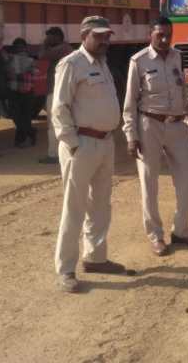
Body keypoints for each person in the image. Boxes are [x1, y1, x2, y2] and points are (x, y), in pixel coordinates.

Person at [52, 16, 126, 293]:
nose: (104, 40)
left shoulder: (102, 64)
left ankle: (95, 257)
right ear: (84, 35)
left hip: (105, 143)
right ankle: (66, 270)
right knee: (74, 208)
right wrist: (72, 144)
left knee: (101, 204)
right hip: (81, 145)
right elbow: (59, 107)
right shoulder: (72, 64)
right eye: (98, 36)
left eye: (107, 35)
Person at [123, 17, 188, 256]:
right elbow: (129, 101)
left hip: (177, 125)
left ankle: (181, 230)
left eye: (169, 34)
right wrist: (130, 134)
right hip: (150, 124)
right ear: (151, 34)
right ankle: (155, 236)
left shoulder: (178, 56)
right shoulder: (138, 61)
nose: (165, 39)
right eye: (160, 35)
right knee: (149, 183)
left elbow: (184, 92)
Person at [38, 27, 73, 163]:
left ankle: (54, 155)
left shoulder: (62, 49)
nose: (47, 39)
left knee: (54, 124)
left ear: (58, 37)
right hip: (61, 90)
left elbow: (42, 55)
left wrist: (45, 44)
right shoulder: (66, 49)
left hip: (56, 91)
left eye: (50, 37)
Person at [5, 38, 37, 148]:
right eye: (18, 47)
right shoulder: (10, 59)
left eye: (21, 47)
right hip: (15, 90)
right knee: (16, 115)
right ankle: (30, 132)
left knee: (24, 115)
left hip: (26, 90)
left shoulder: (30, 59)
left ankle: (20, 139)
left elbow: (34, 73)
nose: (20, 49)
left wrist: (19, 74)